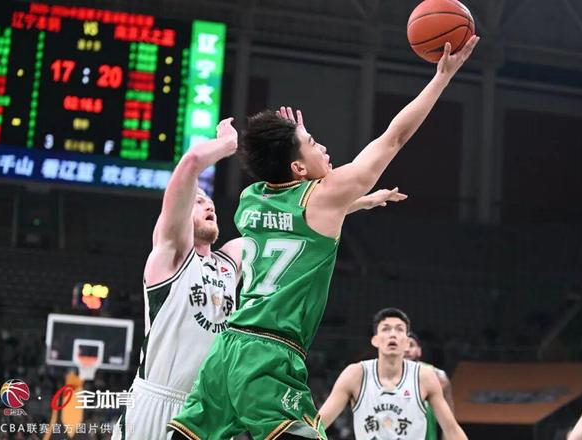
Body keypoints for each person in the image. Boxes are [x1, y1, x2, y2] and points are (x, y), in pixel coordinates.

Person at [168, 36, 479, 440]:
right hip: (270, 354)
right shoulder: (324, 196)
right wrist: (442, 78)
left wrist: (355, 200)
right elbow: (394, 138)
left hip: (226, 351)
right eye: (313, 144)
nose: (324, 147)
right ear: (298, 168)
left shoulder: (250, 199)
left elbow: (297, 221)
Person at [112, 119, 243, 440]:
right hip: (155, 403)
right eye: (198, 201)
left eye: (210, 203)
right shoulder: (170, 254)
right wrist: (227, 144)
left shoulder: (229, 263)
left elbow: (285, 227)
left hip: (206, 412)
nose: (208, 204)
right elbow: (191, 163)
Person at [318, 308, 467, 439]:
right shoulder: (356, 374)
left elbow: (452, 430)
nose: (393, 334)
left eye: (399, 329)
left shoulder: (424, 376)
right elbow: (318, 425)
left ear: (407, 342)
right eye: (386, 329)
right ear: (375, 340)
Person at [405, 332, 455, 440]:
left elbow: (449, 422)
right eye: (403, 345)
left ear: (419, 351)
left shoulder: (438, 376)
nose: (406, 349)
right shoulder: (383, 378)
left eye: (411, 345)